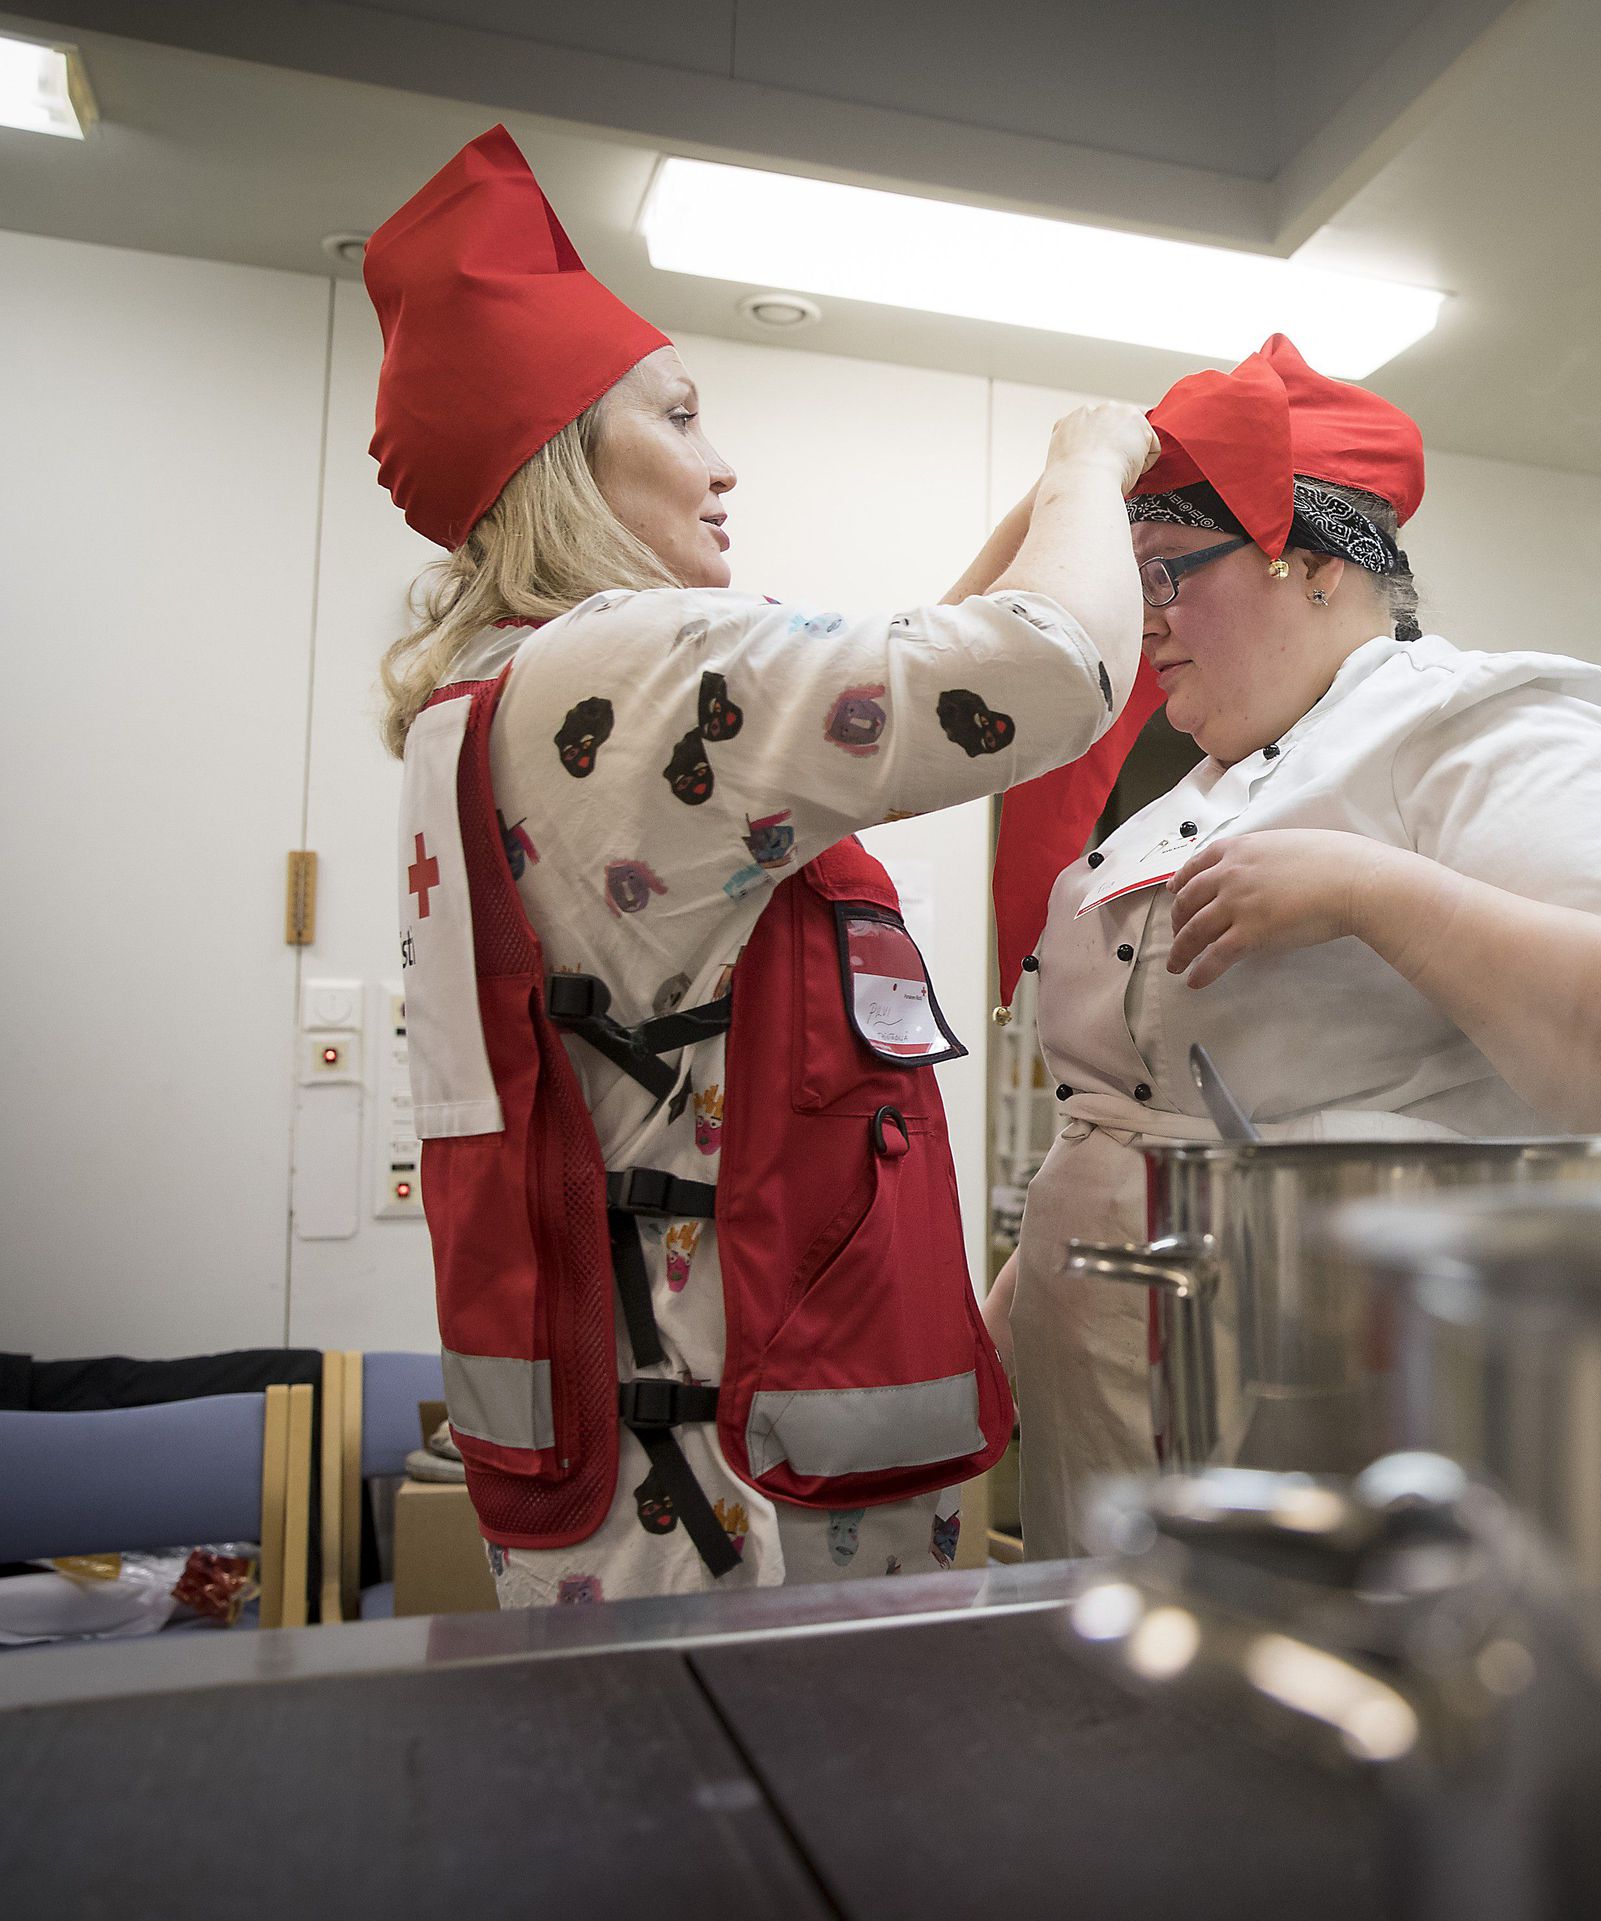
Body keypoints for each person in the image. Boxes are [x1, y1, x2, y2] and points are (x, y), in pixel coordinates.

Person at [369, 127, 1153, 1604]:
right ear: (565, 464)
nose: (725, 466)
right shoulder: (634, 661)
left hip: (622, 1476)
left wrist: (1022, 546)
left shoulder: (505, 700)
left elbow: (919, 685)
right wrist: (1091, 456)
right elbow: (1052, 673)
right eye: (680, 416)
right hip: (734, 1513)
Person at [987, 335, 1601, 1557]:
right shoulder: (1177, 797)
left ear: (1306, 562)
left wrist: (1376, 890)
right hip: (1105, 1388)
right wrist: (1020, 1301)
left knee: (1297, 1706)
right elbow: (1118, 1104)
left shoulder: (1476, 722)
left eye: (1167, 574)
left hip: (1321, 1380)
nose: (1143, 624)